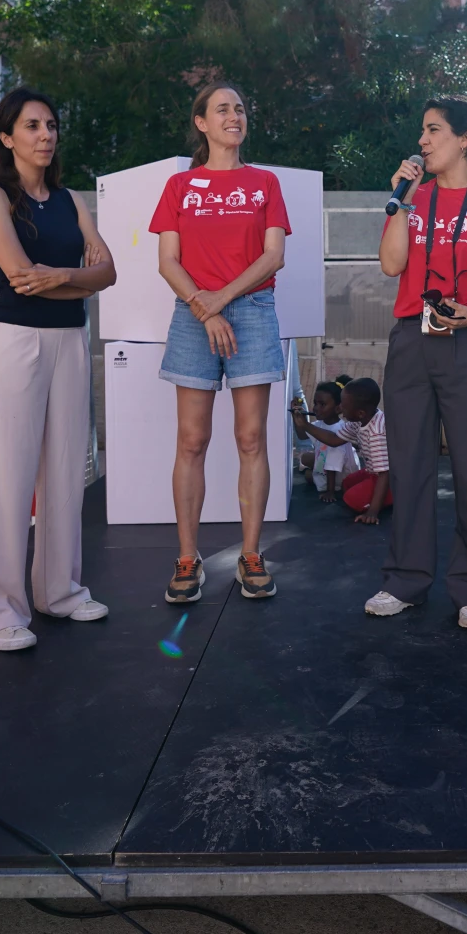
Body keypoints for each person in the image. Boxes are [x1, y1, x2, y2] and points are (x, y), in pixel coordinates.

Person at [0, 88, 119, 653]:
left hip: (70, 342)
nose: (46, 135)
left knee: (66, 471)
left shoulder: (71, 199)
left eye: (51, 125)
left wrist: (58, 277)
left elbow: (108, 273)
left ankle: (60, 592)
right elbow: (19, 275)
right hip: (16, 342)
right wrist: (75, 278)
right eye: (32, 126)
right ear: (7, 137)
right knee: (5, 476)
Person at [364, 96, 467, 630]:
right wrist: (402, 202)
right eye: (423, 131)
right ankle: (404, 580)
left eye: (434, 130)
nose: (423, 141)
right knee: (409, 464)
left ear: (465, 138)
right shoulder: (413, 198)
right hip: (411, 340)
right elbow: (391, 265)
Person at [151, 83, 290, 604]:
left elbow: (274, 256)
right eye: (223, 109)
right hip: (194, 317)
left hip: (251, 312)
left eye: (241, 108)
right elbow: (167, 261)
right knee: (191, 440)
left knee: (251, 439)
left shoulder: (265, 182)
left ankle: (250, 555)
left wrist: (220, 301)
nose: (235, 116)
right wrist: (203, 308)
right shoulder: (180, 186)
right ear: (202, 122)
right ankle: (188, 558)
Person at [293, 376, 388, 524]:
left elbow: (384, 474)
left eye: (344, 406)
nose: (340, 408)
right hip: (373, 471)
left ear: (360, 413)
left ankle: (389, 498)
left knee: (352, 500)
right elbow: (334, 440)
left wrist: (372, 512)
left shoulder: (376, 434)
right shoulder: (360, 420)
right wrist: (305, 425)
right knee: (347, 484)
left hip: (390, 478)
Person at [292, 381, 356, 504]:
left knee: (311, 473)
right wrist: (296, 418)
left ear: (338, 408)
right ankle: (320, 477)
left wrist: (330, 491)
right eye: (315, 403)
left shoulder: (339, 430)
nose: (316, 408)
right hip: (328, 470)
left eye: (322, 404)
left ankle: (331, 487)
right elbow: (302, 435)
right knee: (306, 465)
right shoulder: (319, 424)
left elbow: (332, 465)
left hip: (340, 477)